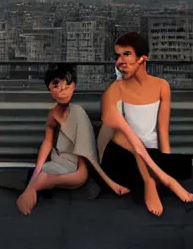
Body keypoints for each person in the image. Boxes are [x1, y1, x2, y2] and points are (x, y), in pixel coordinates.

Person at [99, 32, 193, 216]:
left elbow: (163, 130)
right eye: (117, 56)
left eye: (126, 54)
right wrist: (165, 179)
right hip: (123, 151)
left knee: (181, 166)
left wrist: (166, 161)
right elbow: (125, 135)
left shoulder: (162, 86)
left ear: (143, 58)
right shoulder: (116, 89)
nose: (119, 61)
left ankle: (158, 178)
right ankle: (152, 182)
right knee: (127, 138)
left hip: (149, 151)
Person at [16, 63, 129, 216]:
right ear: (50, 89)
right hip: (57, 162)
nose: (62, 91)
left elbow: (87, 155)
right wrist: (36, 174)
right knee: (39, 174)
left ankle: (40, 185)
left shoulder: (78, 113)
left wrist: (111, 184)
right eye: (56, 87)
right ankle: (34, 188)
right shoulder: (52, 115)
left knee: (57, 178)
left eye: (67, 86)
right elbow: (48, 142)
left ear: (73, 87)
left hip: (75, 168)